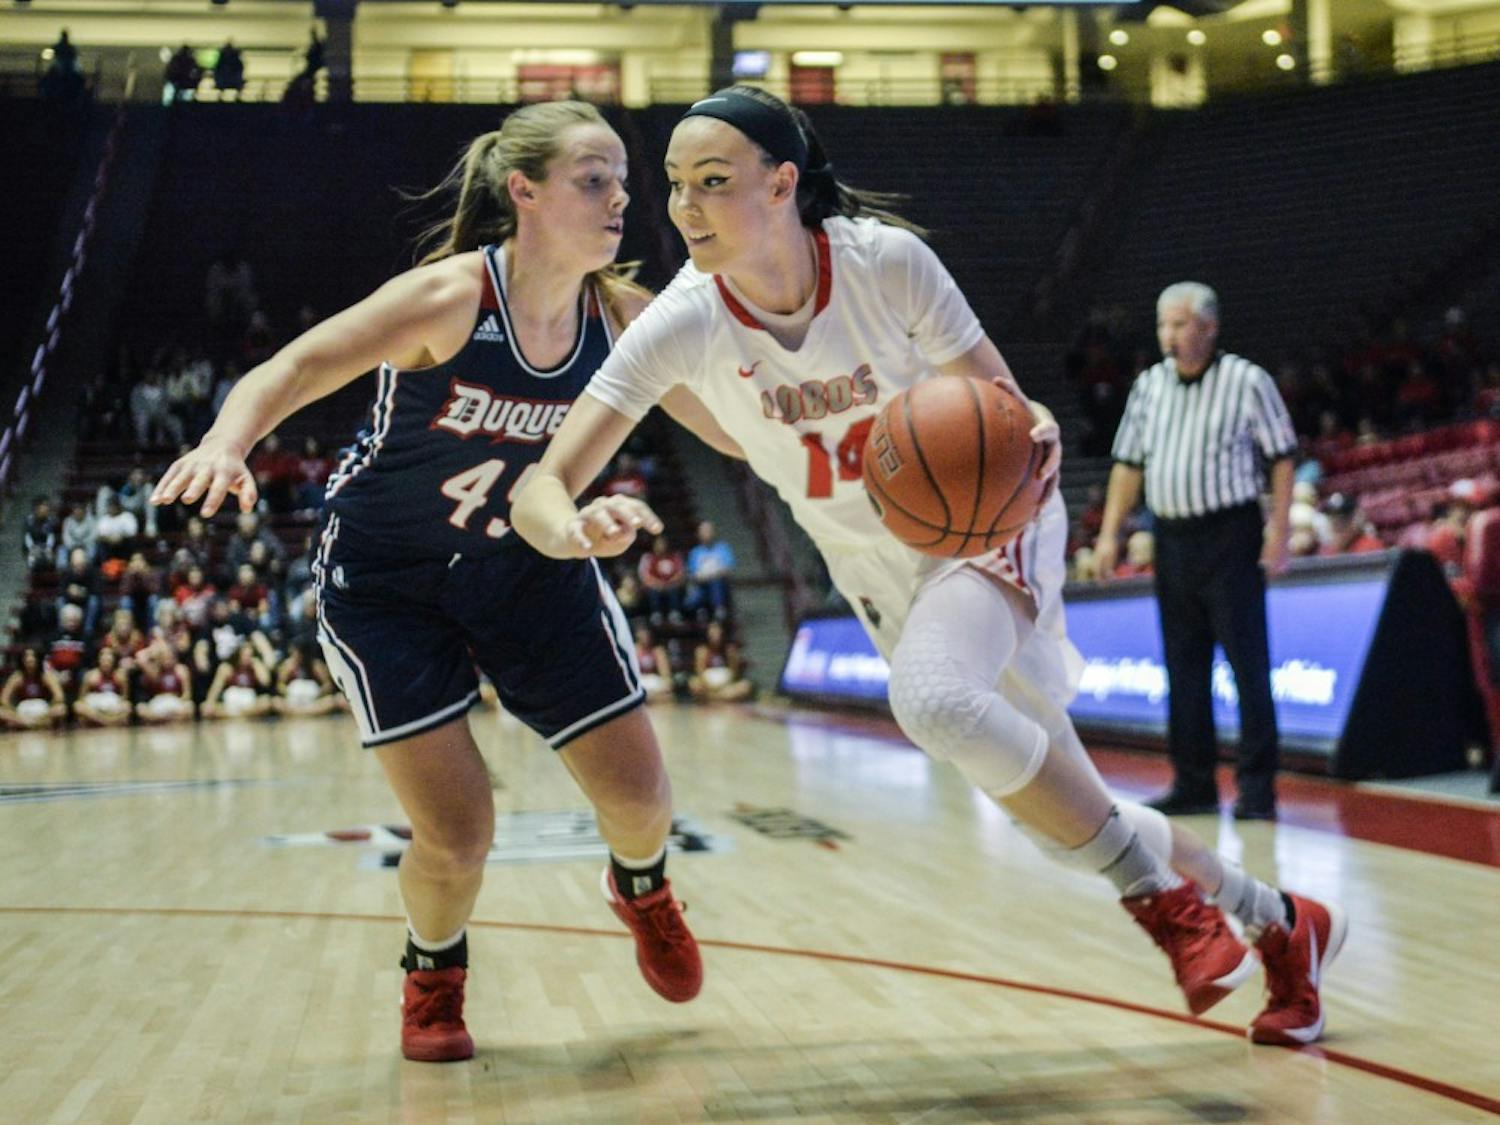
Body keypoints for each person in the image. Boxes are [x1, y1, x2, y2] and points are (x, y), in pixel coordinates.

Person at [511, 87, 1343, 1047]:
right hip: (876, 571)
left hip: (986, 523)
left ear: (784, 184)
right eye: (674, 186)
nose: (684, 208)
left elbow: (1007, 402)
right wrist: (568, 527)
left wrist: (1022, 426)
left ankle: (1167, 907)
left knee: (935, 701)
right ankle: (1284, 923)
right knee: (1066, 819)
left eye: (713, 183)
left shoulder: (884, 263)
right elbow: (546, 479)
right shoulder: (685, 321)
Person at [149, 102, 750, 1063]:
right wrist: (227, 443)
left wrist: (840, 431)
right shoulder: (447, 298)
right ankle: (433, 973)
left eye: (623, 183)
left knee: (642, 802)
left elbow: (732, 430)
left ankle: (640, 886)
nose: (620, 201)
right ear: (525, 191)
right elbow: (296, 364)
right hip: (387, 579)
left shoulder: (630, 320)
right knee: (461, 832)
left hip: (532, 564)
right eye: (594, 179)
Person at [1094, 282, 1297, 823]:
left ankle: (1257, 790)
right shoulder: (1148, 387)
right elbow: (1128, 463)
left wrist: (1279, 529)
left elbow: (1281, 456)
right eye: (1164, 325)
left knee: (1247, 667)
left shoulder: (1247, 380)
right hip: (1172, 538)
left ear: (1209, 328)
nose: (1169, 336)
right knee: (1183, 668)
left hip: (1230, 536)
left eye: (1180, 324)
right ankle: (1193, 783)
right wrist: (1110, 534)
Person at [202, 641, 273, 719]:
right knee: (206, 707)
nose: (246, 658)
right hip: (230, 703)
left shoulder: (254, 667)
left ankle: (236, 716)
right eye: (244, 655)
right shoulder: (227, 668)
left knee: (265, 702)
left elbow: (265, 681)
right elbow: (215, 688)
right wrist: (210, 702)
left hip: (249, 705)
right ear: (238, 654)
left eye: (249, 655)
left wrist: (257, 664)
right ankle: (240, 716)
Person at [0, 648, 67, 730]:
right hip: (23, 712)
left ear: (38, 659)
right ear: (22, 660)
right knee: (1, 712)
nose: (30, 659)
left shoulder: (46, 676)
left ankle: (29, 725)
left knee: (61, 709)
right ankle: (32, 724)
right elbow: (4, 699)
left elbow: (59, 696)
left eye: (33, 657)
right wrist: (14, 712)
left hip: (43, 711)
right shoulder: (17, 676)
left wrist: (49, 709)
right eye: (27, 657)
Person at [688, 621, 752, 702]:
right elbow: (700, 672)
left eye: (717, 633)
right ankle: (720, 698)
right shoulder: (702, 651)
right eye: (712, 633)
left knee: (745, 686)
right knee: (694, 684)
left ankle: (713, 698)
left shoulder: (730, 650)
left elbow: (734, 672)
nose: (715, 636)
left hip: (725, 685)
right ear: (708, 635)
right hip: (708, 685)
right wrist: (709, 686)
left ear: (722, 634)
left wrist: (725, 685)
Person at [685, 519, 735, 620]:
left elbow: (728, 570)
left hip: (720, 586)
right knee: (691, 601)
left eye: (708, 530)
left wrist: (712, 575)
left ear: (713, 532)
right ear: (698, 534)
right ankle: (702, 612)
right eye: (703, 531)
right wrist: (709, 575)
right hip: (702, 587)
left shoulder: (723, 548)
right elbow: (693, 575)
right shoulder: (695, 553)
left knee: (715, 582)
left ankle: (718, 610)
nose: (706, 534)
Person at [75, 646, 132, 727]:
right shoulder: (90, 675)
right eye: (103, 659)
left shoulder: (120, 675)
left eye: (108, 660)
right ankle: (108, 722)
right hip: (94, 706)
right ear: (99, 660)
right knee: (78, 706)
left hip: (112, 706)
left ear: (113, 661)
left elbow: (124, 697)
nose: (106, 662)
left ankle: (102, 722)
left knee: (127, 706)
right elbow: (82, 698)